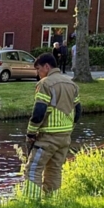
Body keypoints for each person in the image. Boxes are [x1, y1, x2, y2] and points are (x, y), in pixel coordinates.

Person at [22, 53, 82, 198]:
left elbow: (39, 112)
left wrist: (31, 133)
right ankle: (52, 202)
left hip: (48, 137)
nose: (38, 73)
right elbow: (78, 110)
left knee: (33, 169)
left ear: (47, 66)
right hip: (65, 137)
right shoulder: (72, 84)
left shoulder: (45, 84)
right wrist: (69, 128)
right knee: (54, 169)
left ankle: (31, 202)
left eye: (38, 69)